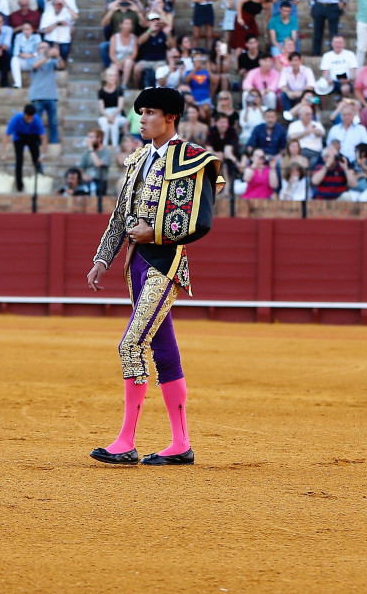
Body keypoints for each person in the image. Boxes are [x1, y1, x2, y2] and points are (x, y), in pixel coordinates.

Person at [87, 87, 224, 467]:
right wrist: (102, 259)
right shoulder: (138, 160)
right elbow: (120, 218)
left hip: (165, 264)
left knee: (130, 345)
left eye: (149, 112)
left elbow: (201, 222)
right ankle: (180, 444)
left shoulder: (194, 159)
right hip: (136, 264)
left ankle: (125, 441)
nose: (142, 119)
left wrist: (156, 233)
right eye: (141, 112)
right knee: (164, 352)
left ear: (170, 118)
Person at [1, 103, 45, 192]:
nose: (30, 119)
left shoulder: (36, 120)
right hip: (19, 138)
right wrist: (3, 153)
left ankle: (40, 182)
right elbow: (6, 136)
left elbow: (44, 137)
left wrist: (43, 154)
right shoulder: (16, 119)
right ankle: (19, 186)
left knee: (36, 159)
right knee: (19, 160)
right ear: (24, 114)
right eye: (28, 117)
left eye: (31, 117)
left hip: (32, 137)